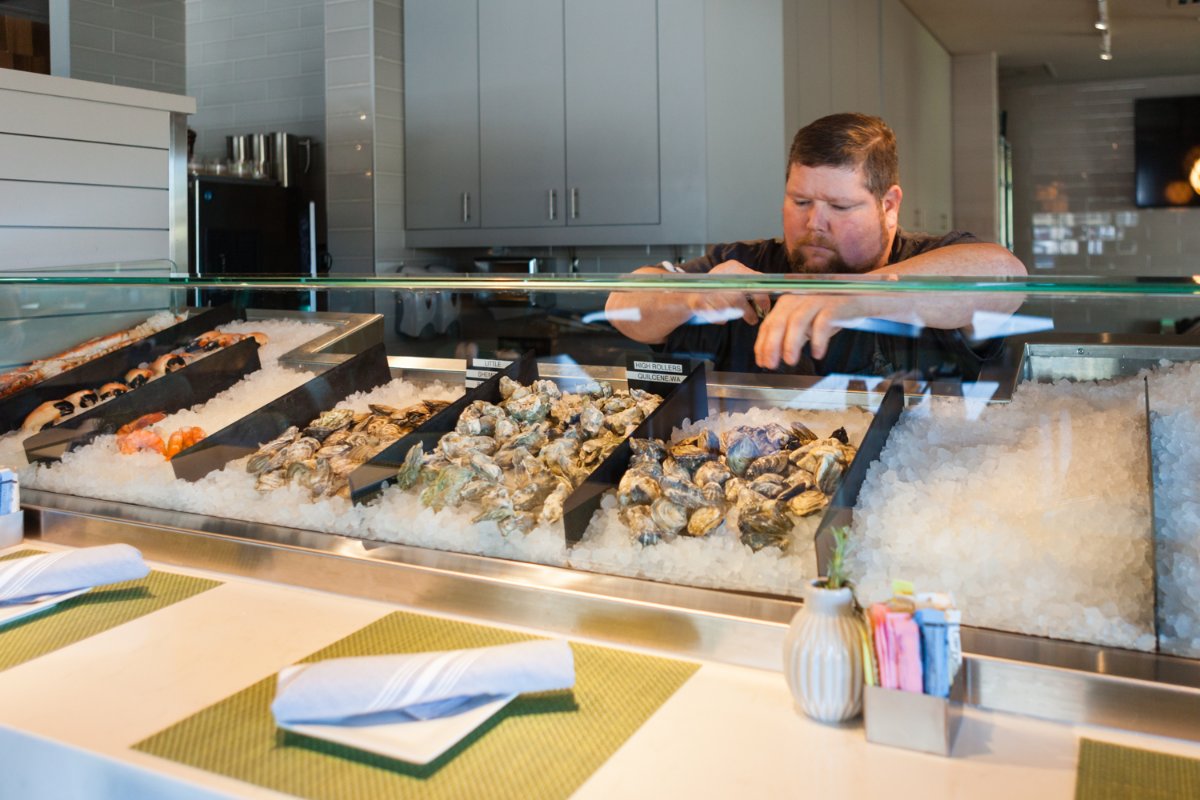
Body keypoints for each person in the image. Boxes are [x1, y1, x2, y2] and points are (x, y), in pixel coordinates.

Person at [605, 113, 1027, 378]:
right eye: (800, 201)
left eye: (839, 206)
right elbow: (621, 305)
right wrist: (689, 297)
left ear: (888, 206)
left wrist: (858, 295)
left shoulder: (926, 257)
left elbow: (1005, 275)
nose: (814, 223)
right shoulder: (746, 263)